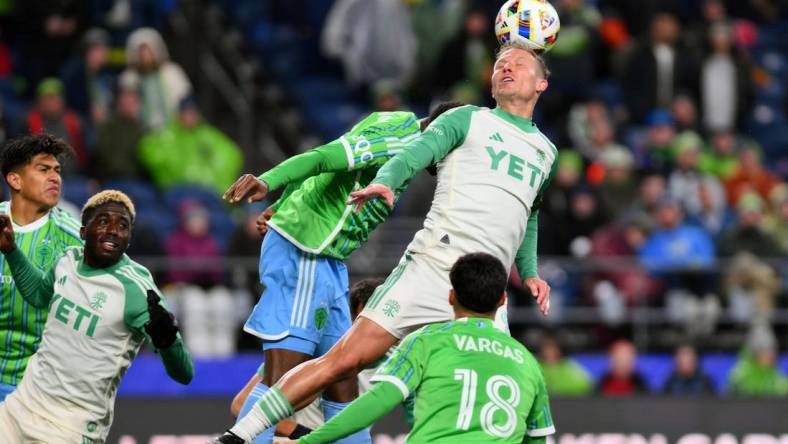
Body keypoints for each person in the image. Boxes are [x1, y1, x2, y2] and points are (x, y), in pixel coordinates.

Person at [216, 43, 554, 444]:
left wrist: (530, 272)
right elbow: (414, 152)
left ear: (541, 84)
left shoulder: (546, 152)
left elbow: (529, 212)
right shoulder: (468, 119)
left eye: (518, 63)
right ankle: (240, 436)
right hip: (431, 266)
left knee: (482, 391)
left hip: (485, 290)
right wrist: (386, 181)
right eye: (500, 63)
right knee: (344, 361)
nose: (506, 68)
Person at [222, 102, 465, 444]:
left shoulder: (398, 130)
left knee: (343, 380)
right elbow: (324, 156)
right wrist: (269, 182)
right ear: (444, 133)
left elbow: (333, 163)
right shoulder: (398, 139)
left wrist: (288, 200)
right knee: (281, 379)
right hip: (304, 250)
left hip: (329, 259)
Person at [284, 253, 554, 443]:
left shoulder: (426, 341)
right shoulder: (527, 362)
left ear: (451, 296)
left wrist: (309, 442)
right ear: (502, 300)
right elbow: (537, 437)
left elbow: (377, 402)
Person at [0, 190, 194, 442]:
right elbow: (38, 295)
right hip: (21, 406)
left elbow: (184, 373)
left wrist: (168, 341)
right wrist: (12, 251)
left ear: (128, 240)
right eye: (104, 221)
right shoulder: (67, 259)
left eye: (123, 226)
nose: (114, 230)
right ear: (83, 232)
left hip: (70, 427)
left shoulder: (137, 290)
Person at [230, 278, 386, 442]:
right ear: (356, 314)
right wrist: (302, 433)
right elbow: (241, 404)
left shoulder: (397, 359)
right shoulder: (312, 351)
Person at [0, 134, 84, 402]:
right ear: (15, 180)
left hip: (45, 387)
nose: (55, 177)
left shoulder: (75, 238)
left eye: (57, 171)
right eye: (43, 169)